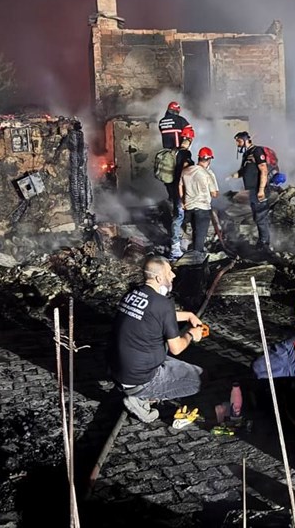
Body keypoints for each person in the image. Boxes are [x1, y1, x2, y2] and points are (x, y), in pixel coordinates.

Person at [109, 255, 206, 423]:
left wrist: (188, 315)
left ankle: (138, 391)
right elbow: (176, 348)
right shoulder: (163, 303)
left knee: (187, 367)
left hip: (119, 370)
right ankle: (142, 399)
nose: (174, 275)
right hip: (141, 379)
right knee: (197, 380)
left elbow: (154, 315)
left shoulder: (132, 294)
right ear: (159, 278)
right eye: (170, 272)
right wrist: (191, 334)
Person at [230, 131, 272, 250]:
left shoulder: (257, 151)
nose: (237, 144)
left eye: (238, 141)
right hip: (252, 190)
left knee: (261, 216)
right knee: (257, 216)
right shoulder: (247, 154)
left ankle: (265, 243)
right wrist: (231, 176)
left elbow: (263, 170)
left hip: (259, 190)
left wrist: (261, 190)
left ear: (245, 140)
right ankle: (262, 240)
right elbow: (243, 171)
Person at [179, 146, 220, 257]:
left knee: (194, 231)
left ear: (199, 158)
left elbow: (180, 187)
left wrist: (183, 202)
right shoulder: (208, 173)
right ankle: (196, 258)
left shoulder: (186, 171)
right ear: (209, 159)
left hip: (189, 207)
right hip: (202, 208)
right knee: (200, 235)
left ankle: (189, 251)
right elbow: (214, 194)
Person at [166, 126, 195, 259]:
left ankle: (177, 244)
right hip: (181, 190)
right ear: (190, 139)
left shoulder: (174, 151)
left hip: (172, 188)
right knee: (178, 218)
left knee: (177, 216)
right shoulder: (186, 154)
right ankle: (175, 249)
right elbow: (185, 173)